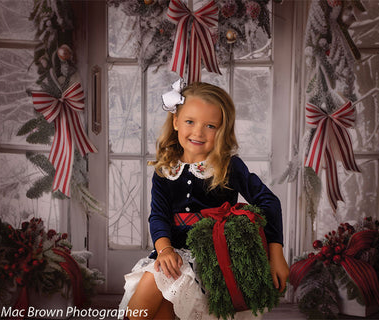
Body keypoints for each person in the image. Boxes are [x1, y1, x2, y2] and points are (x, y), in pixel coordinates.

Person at [118, 80, 289, 320]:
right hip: (172, 255)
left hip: (214, 262)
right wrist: (165, 249)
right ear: (176, 121)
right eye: (190, 121)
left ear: (222, 130)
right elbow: (158, 216)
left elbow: (269, 202)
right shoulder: (165, 170)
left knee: (161, 291)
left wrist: (276, 254)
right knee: (150, 294)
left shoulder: (229, 166)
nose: (198, 132)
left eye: (210, 126)